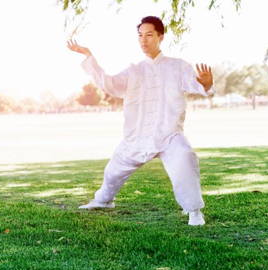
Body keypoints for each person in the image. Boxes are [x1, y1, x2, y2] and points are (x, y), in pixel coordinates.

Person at [67, 16, 214, 226]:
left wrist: (206, 84)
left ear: (160, 37)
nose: (144, 40)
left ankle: (194, 211)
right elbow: (109, 84)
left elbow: (198, 86)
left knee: (184, 157)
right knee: (112, 172)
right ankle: (103, 201)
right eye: (140, 36)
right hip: (137, 137)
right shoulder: (134, 70)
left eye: (149, 35)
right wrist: (89, 57)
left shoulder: (178, 67)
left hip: (169, 134)